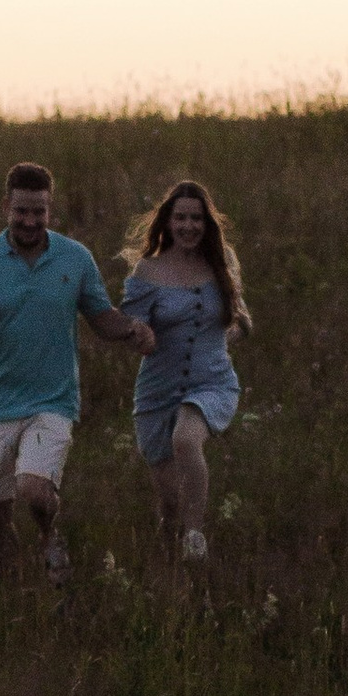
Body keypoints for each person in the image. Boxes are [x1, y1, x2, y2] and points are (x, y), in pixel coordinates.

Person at [0, 164, 153, 582]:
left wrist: (131, 330)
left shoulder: (75, 257)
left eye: (39, 211)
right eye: (22, 211)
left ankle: (51, 535)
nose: (30, 221)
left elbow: (101, 317)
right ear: (6, 207)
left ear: (50, 209)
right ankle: (13, 594)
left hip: (52, 400)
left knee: (33, 489)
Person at [119, 176, 250, 564]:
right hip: (157, 391)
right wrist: (140, 337)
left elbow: (241, 320)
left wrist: (224, 342)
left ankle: (196, 538)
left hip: (211, 383)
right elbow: (132, 328)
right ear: (168, 222)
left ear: (207, 223)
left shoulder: (221, 263)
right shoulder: (147, 272)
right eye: (181, 218)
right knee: (169, 504)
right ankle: (174, 572)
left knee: (186, 440)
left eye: (196, 218)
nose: (189, 226)